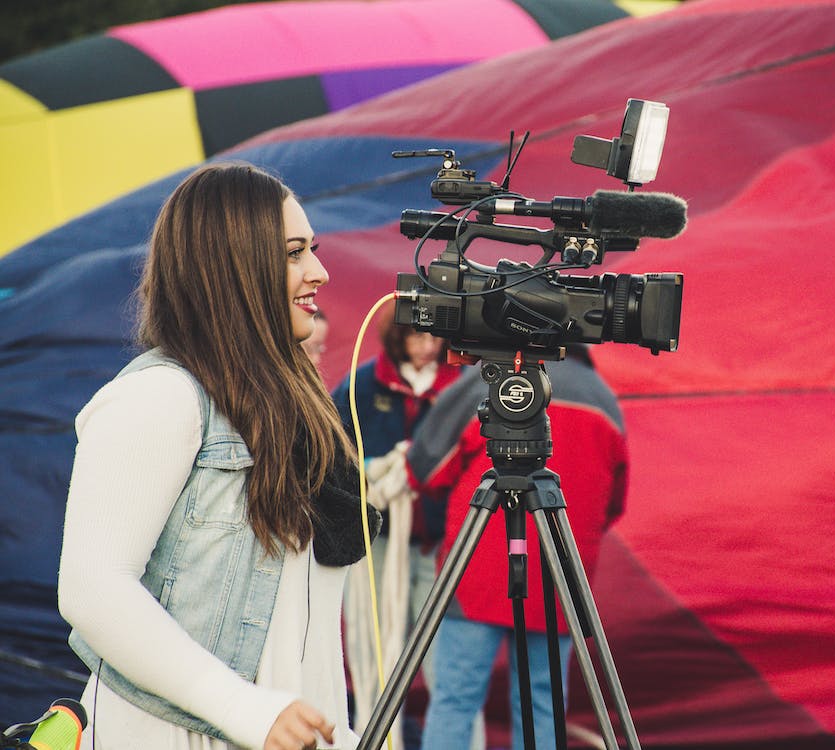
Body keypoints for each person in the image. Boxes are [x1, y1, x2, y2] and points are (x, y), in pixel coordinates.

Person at [57, 161, 378, 750]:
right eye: (293, 253)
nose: (320, 271)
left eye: (313, 249)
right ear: (233, 269)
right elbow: (91, 587)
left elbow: (297, 627)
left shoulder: (293, 408)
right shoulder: (159, 396)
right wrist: (243, 708)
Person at [407, 345, 629, 750]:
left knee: (455, 700)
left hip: (476, 573)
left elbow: (427, 466)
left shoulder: (493, 380)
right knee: (543, 705)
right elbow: (613, 505)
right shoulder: (604, 399)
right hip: (559, 576)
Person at [329, 317, 461, 746]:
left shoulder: (460, 386)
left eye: (433, 334)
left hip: (438, 544)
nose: (426, 344)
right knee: (376, 654)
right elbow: (330, 449)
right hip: (380, 544)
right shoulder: (363, 385)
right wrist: (371, 472)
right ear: (397, 336)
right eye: (417, 334)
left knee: (445, 658)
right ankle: (377, 737)